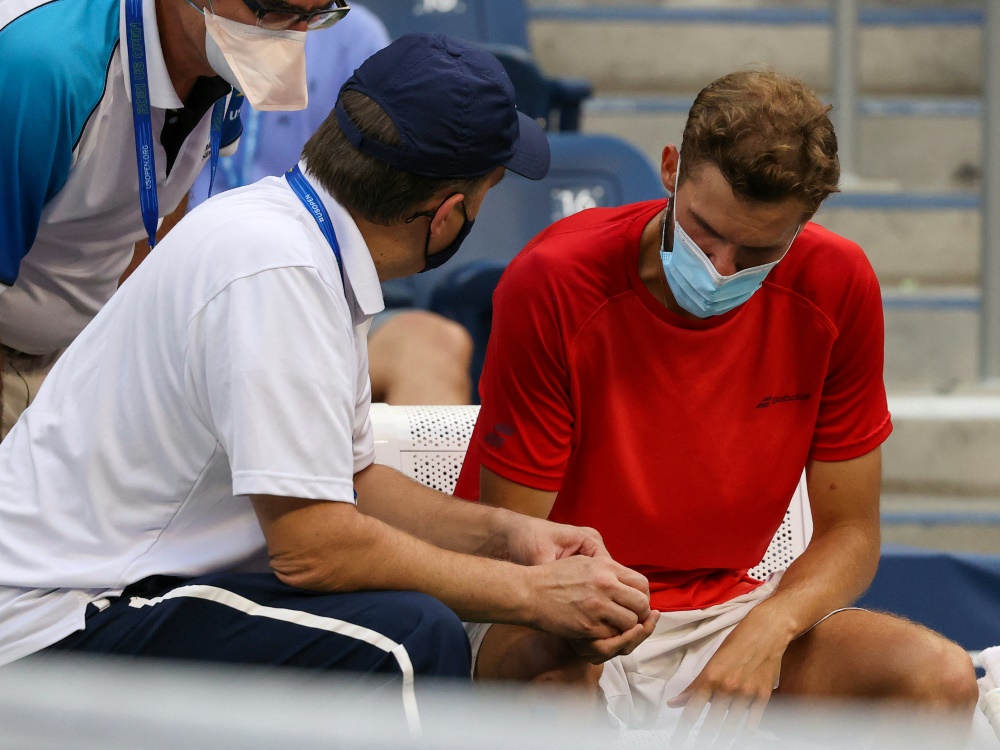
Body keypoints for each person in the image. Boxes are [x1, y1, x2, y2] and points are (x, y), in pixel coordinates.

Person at [0, 34, 656, 722]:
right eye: (487, 191)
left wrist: (511, 539)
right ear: (447, 214)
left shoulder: (298, 235)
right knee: (405, 640)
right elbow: (314, 552)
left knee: (408, 619)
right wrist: (531, 596)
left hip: (115, 591)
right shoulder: (278, 267)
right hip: (54, 621)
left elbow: (350, 481)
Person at [454, 70, 980, 739]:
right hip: (561, 606)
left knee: (939, 680)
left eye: (758, 250)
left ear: (806, 220)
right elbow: (513, 545)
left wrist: (771, 625)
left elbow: (852, 533)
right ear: (670, 170)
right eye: (703, 234)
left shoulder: (838, 283)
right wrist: (597, 619)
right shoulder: (555, 279)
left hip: (730, 607)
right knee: (550, 685)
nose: (722, 269)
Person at [0, 0, 350, 439]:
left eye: (315, 15)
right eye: (273, 8)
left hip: (80, 346)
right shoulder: (43, 69)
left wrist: (116, 368)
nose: (290, 37)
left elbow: (162, 193)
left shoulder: (224, 52)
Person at [184, 6, 475, 406]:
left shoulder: (357, 36)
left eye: (313, 18)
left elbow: (381, 199)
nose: (298, 29)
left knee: (433, 344)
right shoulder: (186, 19)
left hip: (315, 294)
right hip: (190, 290)